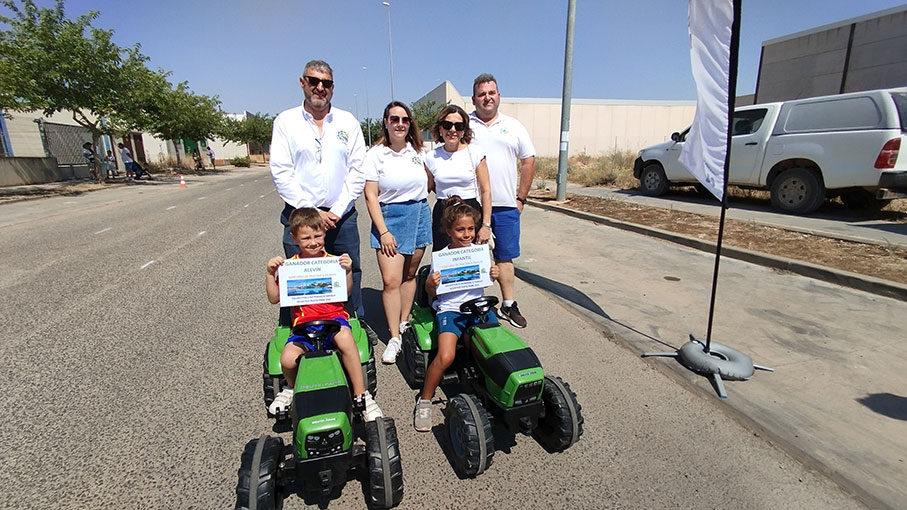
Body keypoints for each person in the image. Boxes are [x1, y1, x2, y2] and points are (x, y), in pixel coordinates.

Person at [270, 59, 368, 327]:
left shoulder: (348, 122)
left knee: (349, 270)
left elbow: (358, 171)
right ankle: (295, 328)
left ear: (333, 87)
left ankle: (355, 322)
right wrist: (312, 213)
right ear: (303, 83)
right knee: (297, 276)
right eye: (314, 81)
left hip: (341, 217)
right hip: (300, 217)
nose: (320, 88)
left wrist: (336, 210)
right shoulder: (286, 122)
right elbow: (281, 171)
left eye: (326, 83)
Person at [265, 207, 383, 421]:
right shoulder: (290, 267)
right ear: (294, 238)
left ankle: (361, 395)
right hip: (304, 324)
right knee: (287, 359)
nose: (313, 242)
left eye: (317, 236)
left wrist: (347, 271)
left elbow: (346, 292)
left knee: (346, 339)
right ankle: (291, 388)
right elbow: (274, 298)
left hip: (334, 319)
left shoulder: (333, 262)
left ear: (324, 234)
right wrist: (270, 273)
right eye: (306, 237)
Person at [414, 197, 499, 432]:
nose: (467, 234)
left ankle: (492, 387)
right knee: (446, 356)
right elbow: (431, 291)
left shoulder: (480, 252)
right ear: (449, 231)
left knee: (495, 347)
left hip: (479, 306)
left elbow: (488, 279)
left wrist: (495, 272)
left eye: (470, 229)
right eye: (460, 229)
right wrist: (431, 283)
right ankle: (425, 400)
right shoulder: (442, 257)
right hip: (451, 309)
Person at [362, 101, 432, 364]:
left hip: (419, 214)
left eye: (404, 119)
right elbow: (370, 195)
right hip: (390, 217)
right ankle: (394, 337)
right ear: (386, 122)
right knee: (391, 280)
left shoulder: (419, 151)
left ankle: (404, 322)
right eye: (394, 119)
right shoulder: (376, 154)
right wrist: (383, 232)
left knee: (410, 274)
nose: (400, 124)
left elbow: (433, 180)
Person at [469, 73, 536, 328]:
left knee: (505, 257)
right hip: (473, 206)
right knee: (472, 255)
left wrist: (521, 198)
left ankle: (509, 305)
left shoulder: (514, 126)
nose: (487, 97)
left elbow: (528, 160)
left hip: (506, 206)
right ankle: (473, 304)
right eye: (481, 94)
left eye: (491, 93)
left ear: (499, 96)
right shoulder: (466, 125)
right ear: (474, 99)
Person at [424, 104, 492, 251]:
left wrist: (486, 225)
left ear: (464, 130)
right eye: (447, 125)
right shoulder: (431, 157)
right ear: (440, 128)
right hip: (443, 214)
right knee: (445, 262)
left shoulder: (475, 153)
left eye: (458, 126)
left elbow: (486, 191)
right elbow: (427, 189)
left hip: (471, 212)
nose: (452, 130)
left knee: (472, 262)